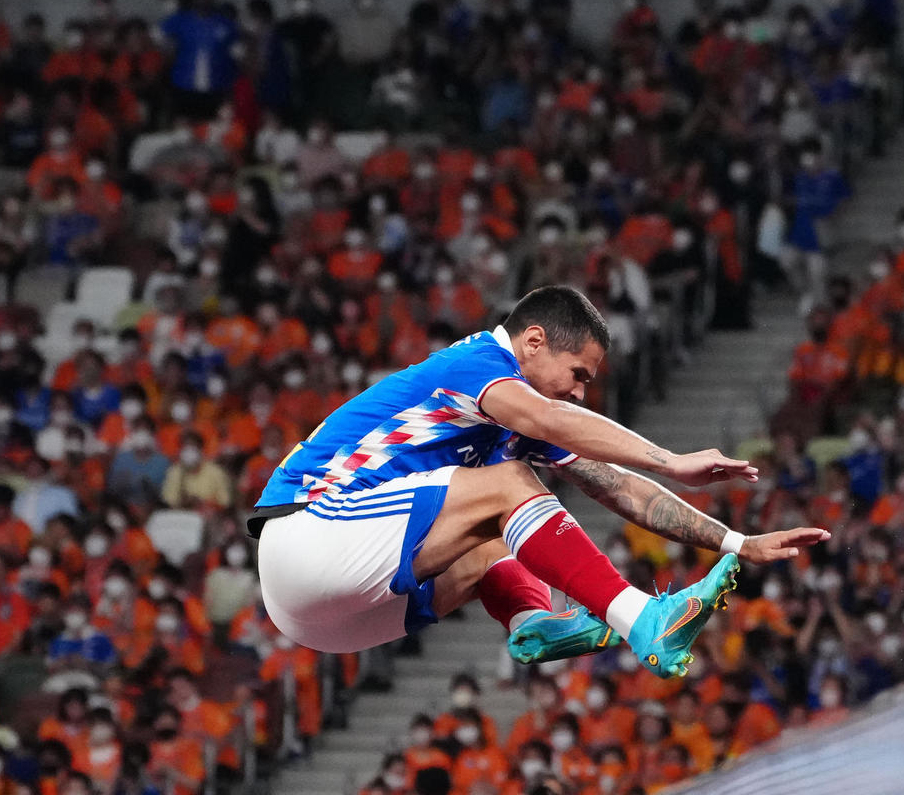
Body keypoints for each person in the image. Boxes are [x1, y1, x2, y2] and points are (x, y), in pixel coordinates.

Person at [252, 286, 829, 680]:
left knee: (515, 521)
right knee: (509, 485)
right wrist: (672, 458)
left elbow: (617, 487)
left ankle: (534, 621)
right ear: (532, 342)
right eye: (578, 373)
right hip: (305, 536)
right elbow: (553, 420)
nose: (581, 391)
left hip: (339, 619)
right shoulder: (478, 364)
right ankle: (642, 622)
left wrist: (736, 542)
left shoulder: (513, 416)